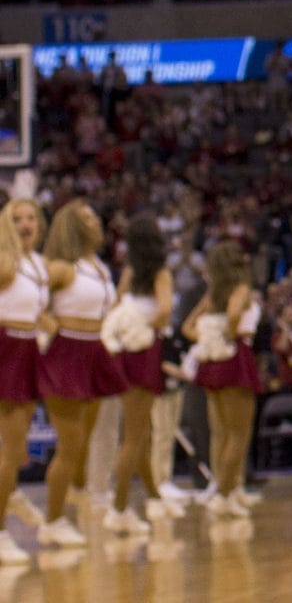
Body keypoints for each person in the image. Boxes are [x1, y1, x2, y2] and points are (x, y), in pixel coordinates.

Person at [37, 200, 125, 548]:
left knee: (83, 446)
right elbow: (25, 293)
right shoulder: (61, 267)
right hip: (67, 352)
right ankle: (53, 520)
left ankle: (70, 503)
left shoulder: (98, 266)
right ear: (72, 226)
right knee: (70, 446)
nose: (96, 221)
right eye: (88, 217)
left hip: (94, 351)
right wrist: (48, 324)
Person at [107, 215, 176, 533]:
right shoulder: (161, 273)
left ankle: (154, 497)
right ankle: (118, 508)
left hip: (125, 352)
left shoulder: (130, 273)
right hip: (145, 352)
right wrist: (148, 328)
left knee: (142, 432)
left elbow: (117, 306)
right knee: (133, 437)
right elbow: (164, 310)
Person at [186, 241, 263, 515]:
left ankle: (228, 491)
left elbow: (187, 327)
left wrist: (208, 338)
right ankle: (223, 495)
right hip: (236, 357)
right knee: (238, 435)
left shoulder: (212, 294)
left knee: (222, 433)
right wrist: (228, 334)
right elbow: (233, 316)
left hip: (212, 363)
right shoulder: (240, 290)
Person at [0, 200, 43, 566]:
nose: (25, 225)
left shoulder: (38, 264)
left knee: (15, 450)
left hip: (28, 348)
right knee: (9, 451)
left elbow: (41, 314)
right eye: (16, 219)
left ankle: (11, 495)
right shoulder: (5, 258)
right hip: (6, 344)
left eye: (31, 218)